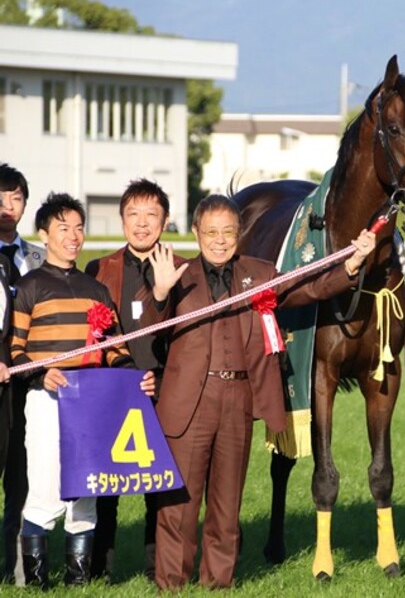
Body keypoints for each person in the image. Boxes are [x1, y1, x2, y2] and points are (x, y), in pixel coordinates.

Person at [143, 194, 376, 590]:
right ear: (196, 233)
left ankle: (218, 581)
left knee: (227, 502)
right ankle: (171, 582)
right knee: (178, 505)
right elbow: (147, 332)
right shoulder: (175, 275)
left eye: (229, 232)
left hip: (238, 400)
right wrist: (161, 294)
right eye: (211, 232)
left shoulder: (260, 272)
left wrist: (351, 264)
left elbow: (310, 286)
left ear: (240, 234)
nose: (220, 240)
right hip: (187, 404)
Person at [10, 193, 155, 588]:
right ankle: (37, 584)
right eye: (63, 228)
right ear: (43, 234)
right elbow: (16, 351)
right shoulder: (28, 287)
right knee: (43, 490)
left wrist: (134, 377)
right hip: (46, 400)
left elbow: (114, 348)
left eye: (78, 228)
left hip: (90, 404)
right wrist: (43, 375)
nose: (73, 236)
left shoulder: (96, 290)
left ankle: (78, 584)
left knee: (86, 493)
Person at [84, 179, 184, 581]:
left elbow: (186, 341)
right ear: (122, 218)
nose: (142, 224)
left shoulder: (181, 271)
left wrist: (163, 380)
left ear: (165, 221)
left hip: (161, 390)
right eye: (133, 215)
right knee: (106, 486)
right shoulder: (99, 269)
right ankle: (97, 569)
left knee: (158, 485)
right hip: (112, 389)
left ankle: (153, 568)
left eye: (151, 215)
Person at [0, 163, 45, 586]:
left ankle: (16, 572)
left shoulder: (39, 259)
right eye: (0, 199)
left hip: (29, 388)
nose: (7, 207)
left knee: (23, 481)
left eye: (15, 198)